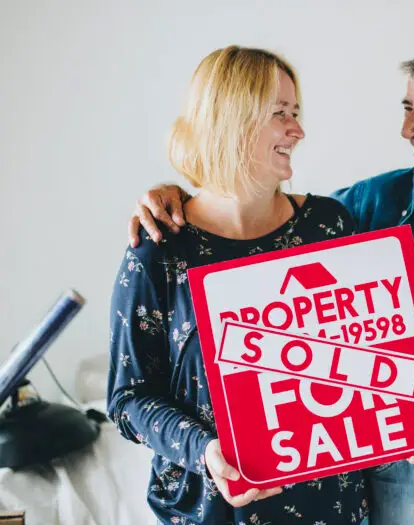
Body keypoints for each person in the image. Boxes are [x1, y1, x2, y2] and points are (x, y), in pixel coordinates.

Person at [129, 41, 414, 525]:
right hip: (396, 465)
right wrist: (177, 196)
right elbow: (255, 224)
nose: (407, 127)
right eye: (407, 107)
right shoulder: (367, 207)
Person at [108, 45, 373, 524]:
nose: (298, 130)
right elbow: (128, 400)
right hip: (209, 512)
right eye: (281, 114)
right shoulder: (158, 249)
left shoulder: (328, 227)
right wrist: (204, 450)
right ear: (232, 120)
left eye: (296, 113)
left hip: (328, 510)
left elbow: (365, 357)